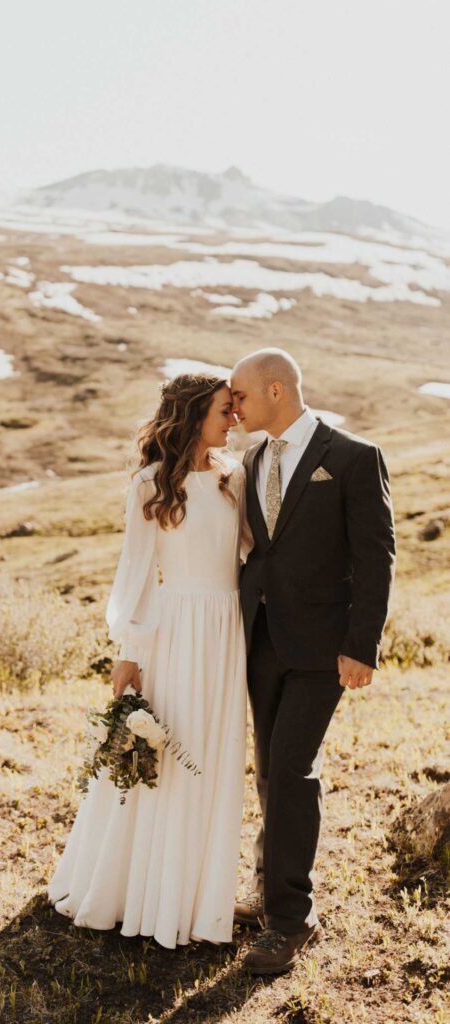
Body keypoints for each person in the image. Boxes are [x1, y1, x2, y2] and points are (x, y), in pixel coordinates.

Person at [47, 374, 251, 948]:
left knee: (214, 758)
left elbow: (248, 555)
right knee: (170, 757)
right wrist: (130, 653)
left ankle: (200, 895)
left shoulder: (236, 476)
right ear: (191, 415)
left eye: (234, 410)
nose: (232, 420)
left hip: (227, 629)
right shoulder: (151, 484)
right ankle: (149, 893)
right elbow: (135, 572)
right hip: (175, 629)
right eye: (222, 410)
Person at [230, 348, 396, 975]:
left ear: (276, 389)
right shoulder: (251, 459)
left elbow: (377, 555)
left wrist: (362, 644)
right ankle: (269, 883)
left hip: (324, 648)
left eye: (241, 395)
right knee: (270, 772)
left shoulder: (353, 457)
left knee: (293, 770)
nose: (234, 406)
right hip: (261, 639)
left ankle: (290, 920)